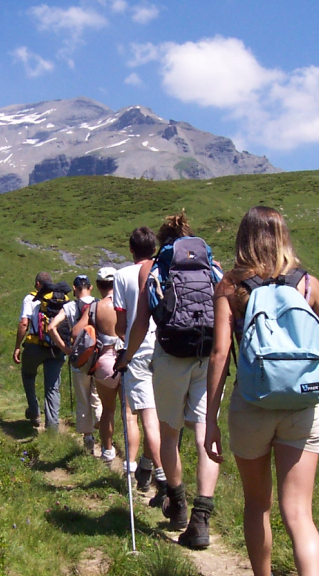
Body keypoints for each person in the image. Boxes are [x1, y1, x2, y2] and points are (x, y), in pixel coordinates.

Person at [204, 205, 319, 576]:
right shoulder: (308, 283)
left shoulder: (230, 286)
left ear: (244, 237)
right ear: (284, 235)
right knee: (299, 512)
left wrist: (209, 418)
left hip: (252, 405)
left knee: (257, 503)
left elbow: (220, 355)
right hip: (301, 407)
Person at [116, 211, 220, 549]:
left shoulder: (157, 267)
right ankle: (202, 520)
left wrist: (127, 356)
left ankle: (177, 505)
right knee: (206, 434)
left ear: (162, 240)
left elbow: (142, 325)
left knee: (169, 434)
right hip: (207, 356)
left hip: (171, 354)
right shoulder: (210, 265)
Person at [113, 227, 167, 505]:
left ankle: (160, 476)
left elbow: (121, 324)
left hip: (138, 350)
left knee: (142, 415)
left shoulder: (122, 276)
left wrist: (125, 343)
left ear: (131, 249)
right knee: (163, 418)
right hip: (168, 348)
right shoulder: (164, 268)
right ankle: (153, 468)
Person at [47, 275, 102, 453]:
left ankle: (88, 438)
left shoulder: (69, 306)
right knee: (98, 397)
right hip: (99, 357)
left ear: (74, 288)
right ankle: (104, 429)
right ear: (90, 287)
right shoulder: (99, 304)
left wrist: (66, 349)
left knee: (83, 400)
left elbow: (51, 327)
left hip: (79, 360)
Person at [72, 267, 121, 464]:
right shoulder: (126, 304)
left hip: (105, 363)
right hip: (128, 360)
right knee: (130, 416)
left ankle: (108, 452)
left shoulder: (94, 308)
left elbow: (76, 332)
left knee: (108, 409)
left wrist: (91, 329)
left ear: (98, 286)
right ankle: (134, 463)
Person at [12, 271, 66, 431]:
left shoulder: (30, 298)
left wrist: (17, 346)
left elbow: (24, 324)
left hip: (35, 345)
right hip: (56, 347)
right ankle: (53, 427)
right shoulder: (59, 299)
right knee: (52, 387)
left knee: (28, 375)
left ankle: (34, 412)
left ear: (37, 284)